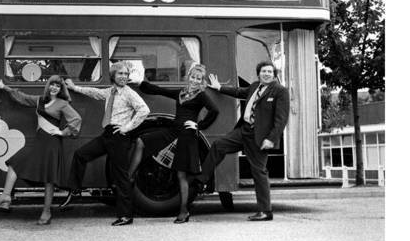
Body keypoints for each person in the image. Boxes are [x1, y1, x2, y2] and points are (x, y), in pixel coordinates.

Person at [195, 60, 290, 221]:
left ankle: (266, 211)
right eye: (263, 71)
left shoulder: (280, 91)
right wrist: (220, 88)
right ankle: (201, 180)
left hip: (260, 137)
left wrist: (271, 139)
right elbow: (239, 91)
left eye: (269, 72)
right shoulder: (255, 86)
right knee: (219, 145)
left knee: (259, 172)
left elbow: (281, 119)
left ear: (274, 75)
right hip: (244, 130)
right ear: (258, 73)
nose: (266, 74)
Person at [127, 63, 219, 223]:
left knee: (181, 175)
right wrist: (140, 83)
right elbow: (158, 90)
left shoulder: (201, 95)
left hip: (187, 135)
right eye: (193, 77)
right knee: (141, 141)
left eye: (198, 78)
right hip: (172, 132)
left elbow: (215, 110)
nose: (195, 80)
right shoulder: (182, 93)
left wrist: (198, 126)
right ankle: (129, 177)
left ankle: (184, 212)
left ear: (202, 81)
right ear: (188, 77)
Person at [64, 62, 150, 226]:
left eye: (126, 74)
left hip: (119, 137)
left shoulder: (128, 93)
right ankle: (75, 188)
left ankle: (126, 216)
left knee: (121, 177)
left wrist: (127, 127)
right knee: (81, 154)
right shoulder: (111, 92)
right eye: (120, 74)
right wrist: (74, 88)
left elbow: (144, 110)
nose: (124, 76)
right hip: (108, 135)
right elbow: (95, 93)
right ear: (113, 76)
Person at [0, 76, 82, 225]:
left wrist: (62, 133)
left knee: (49, 179)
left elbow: (76, 119)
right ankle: (6, 196)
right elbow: (22, 98)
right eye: (52, 84)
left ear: (60, 89)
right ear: (48, 86)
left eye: (57, 86)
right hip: (39, 142)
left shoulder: (63, 103)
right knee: (14, 162)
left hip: (52, 144)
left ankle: (46, 212)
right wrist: (4, 87)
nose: (54, 87)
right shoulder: (40, 100)